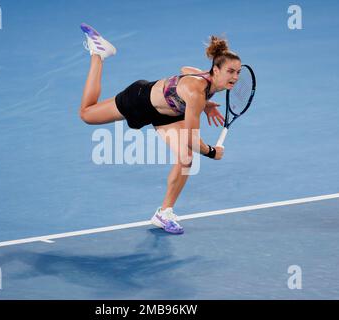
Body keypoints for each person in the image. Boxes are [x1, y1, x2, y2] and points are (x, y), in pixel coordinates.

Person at [78, 23, 241, 234]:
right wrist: (212, 152)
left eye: (237, 72)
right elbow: (192, 138)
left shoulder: (207, 79)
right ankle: (98, 53)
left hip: (165, 113)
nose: (235, 77)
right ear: (216, 70)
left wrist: (207, 105)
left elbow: (185, 69)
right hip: (139, 100)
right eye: (230, 71)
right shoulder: (196, 94)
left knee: (186, 157)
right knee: (86, 114)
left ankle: (164, 214)